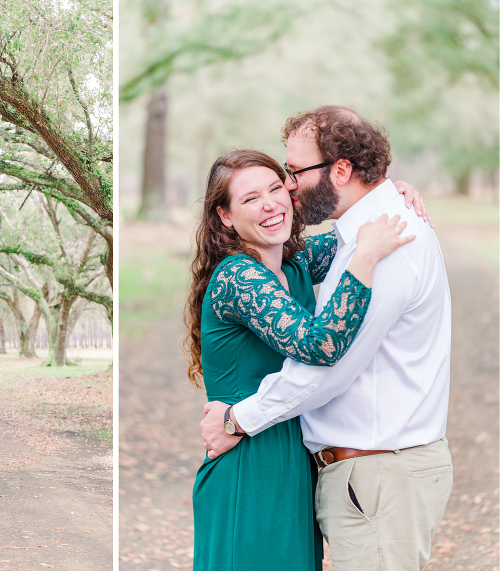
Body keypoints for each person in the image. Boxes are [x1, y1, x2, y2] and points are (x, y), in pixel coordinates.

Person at [200, 106, 452, 571]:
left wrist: (392, 192)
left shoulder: (304, 260)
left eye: (283, 179)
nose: (283, 194)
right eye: (251, 198)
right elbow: (321, 343)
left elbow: (326, 354)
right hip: (251, 459)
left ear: (340, 170)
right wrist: (235, 423)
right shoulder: (241, 275)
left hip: (290, 452)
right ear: (225, 217)